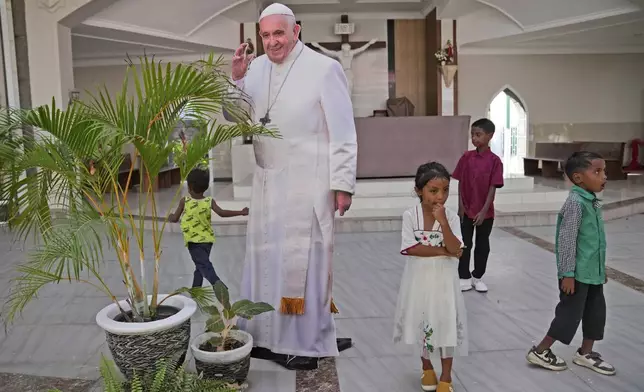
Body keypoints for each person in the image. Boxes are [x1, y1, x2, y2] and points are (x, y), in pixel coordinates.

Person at [225, 2, 358, 371]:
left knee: (304, 263)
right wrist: (235, 79)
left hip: (308, 183)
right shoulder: (254, 70)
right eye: (265, 35)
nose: (272, 42)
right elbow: (236, 118)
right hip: (266, 182)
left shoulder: (324, 68)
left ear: (295, 31)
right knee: (265, 261)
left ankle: (307, 338)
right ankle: (265, 337)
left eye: (279, 33)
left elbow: (344, 133)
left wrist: (342, 183)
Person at [526, 151, 616, 376]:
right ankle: (541, 350)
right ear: (578, 178)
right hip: (575, 275)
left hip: (591, 272)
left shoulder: (591, 201)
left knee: (596, 312)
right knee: (568, 314)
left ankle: (586, 353)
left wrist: (599, 268)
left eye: (604, 171)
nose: (604, 176)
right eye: (597, 171)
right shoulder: (576, 203)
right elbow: (567, 241)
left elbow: (593, 242)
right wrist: (567, 273)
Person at [393, 162, 468, 392]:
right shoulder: (410, 216)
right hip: (418, 281)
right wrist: (443, 251)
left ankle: (446, 377)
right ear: (419, 190)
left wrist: (444, 223)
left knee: (446, 327)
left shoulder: (452, 217)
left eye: (445, 190)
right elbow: (411, 248)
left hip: (444, 283)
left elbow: (457, 247)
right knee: (424, 325)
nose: (440, 196)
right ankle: (427, 367)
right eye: (433, 190)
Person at [169, 168, 249, 288]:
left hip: (193, 242)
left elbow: (175, 218)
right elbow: (222, 213)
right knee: (200, 266)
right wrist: (241, 212)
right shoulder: (209, 201)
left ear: (189, 186)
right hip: (207, 242)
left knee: (204, 265)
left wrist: (169, 216)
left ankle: (218, 286)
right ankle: (196, 291)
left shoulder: (184, 201)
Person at [452, 118, 504, 293]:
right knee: (465, 243)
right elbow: (460, 182)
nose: (474, 138)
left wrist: (483, 211)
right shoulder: (466, 157)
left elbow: (493, 187)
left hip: (484, 213)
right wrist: (460, 205)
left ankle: (478, 276)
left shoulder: (495, 161)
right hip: (466, 210)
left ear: (489, 136)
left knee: (483, 245)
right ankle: (464, 276)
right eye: (472, 135)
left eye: (478, 135)